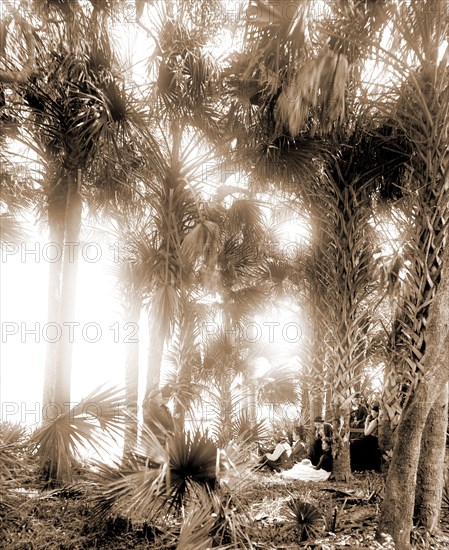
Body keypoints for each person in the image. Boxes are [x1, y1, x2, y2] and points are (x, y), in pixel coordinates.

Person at [350, 402, 381, 472]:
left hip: (371, 440)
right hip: (371, 439)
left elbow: (366, 433)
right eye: (371, 412)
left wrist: (366, 421)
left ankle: (356, 467)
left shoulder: (375, 421)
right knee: (354, 443)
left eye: (373, 413)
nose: (371, 414)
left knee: (353, 444)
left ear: (377, 413)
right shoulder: (375, 420)